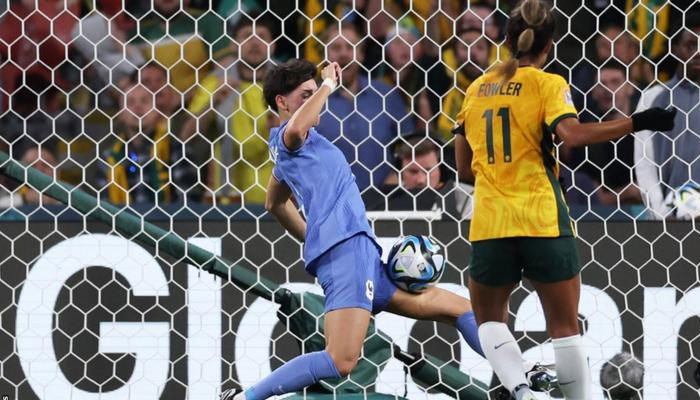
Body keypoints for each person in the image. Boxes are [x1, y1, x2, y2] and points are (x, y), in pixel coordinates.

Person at [219, 59, 551, 400]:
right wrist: (328, 86)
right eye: (305, 94)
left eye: (314, 92)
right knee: (340, 360)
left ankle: (521, 377)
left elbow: (275, 204)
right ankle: (246, 397)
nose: (315, 98)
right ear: (281, 103)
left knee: (464, 309)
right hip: (347, 257)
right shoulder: (292, 139)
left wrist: (315, 237)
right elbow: (292, 133)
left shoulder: (295, 154)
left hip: (364, 260)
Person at [452, 0, 676, 399]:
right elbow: (571, 135)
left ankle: (519, 388)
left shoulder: (475, 89)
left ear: (504, 40)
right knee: (565, 327)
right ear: (550, 45)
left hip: (490, 222)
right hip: (541, 219)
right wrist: (638, 122)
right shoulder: (548, 84)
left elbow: (464, 170)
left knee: (489, 321)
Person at [634, 11, 700, 219]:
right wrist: (661, 214)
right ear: (675, 49)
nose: (698, 52)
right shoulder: (653, 98)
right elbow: (644, 163)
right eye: (691, 45)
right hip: (669, 218)